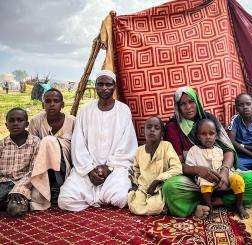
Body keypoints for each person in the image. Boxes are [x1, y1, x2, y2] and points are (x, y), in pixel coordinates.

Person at [164, 86, 252, 218]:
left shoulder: (209, 119)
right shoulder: (173, 127)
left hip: (222, 177)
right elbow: (177, 165)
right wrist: (199, 170)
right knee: (170, 187)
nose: (188, 107)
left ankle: (216, 202)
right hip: (194, 181)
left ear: (197, 102)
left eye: (191, 102)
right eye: (183, 104)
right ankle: (200, 203)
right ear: (178, 107)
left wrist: (224, 172)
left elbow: (228, 149)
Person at [58, 70, 138, 212]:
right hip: (88, 168)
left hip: (115, 168)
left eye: (108, 84)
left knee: (121, 198)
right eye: (100, 84)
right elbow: (79, 143)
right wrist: (89, 170)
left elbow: (127, 144)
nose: (104, 88)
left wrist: (109, 168)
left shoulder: (123, 110)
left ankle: (96, 197)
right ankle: (99, 198)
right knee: (65, 200)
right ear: (95, 86)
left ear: (114, 86)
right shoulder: (85, 110)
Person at [186, 119, 248, 219]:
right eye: (203, 134)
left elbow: (224, 166)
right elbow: (190, 167)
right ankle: (209, 207)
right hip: (205, 179)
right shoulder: (194, 150)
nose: (208, 137)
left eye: (211, 133)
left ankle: (239, 205)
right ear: (198, 136)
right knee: (204, 183)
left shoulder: (219, 150)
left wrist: (225, 175)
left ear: (216, 135)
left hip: (221, 177)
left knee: (238, 180)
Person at [28, 88, 75, 210]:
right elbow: (32, 146)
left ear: (62, 104)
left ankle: (59, 187)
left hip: (66, 163)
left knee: (49, 141)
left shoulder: (72, 121)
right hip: (43, 164)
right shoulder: (36, 121)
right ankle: (47, 189)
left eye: (56, 101)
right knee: (47, 143)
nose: (52, 104)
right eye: (48, 101)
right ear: (43, 104)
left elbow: (78, 147)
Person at [128, 117, 182, 215]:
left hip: (159, 188)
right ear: (144, 131)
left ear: (162, 133)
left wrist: (157, 181)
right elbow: (136, 171)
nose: (152, 130)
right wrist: (135, 185)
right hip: (143, 188)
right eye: (149, 127)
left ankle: (161, 206)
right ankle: (161, 208)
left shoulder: (166, 146)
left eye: (157, 128)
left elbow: (177, 168)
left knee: (155, 207)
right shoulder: (139, 150)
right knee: (134, 207)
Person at [0, 108, 39, 217]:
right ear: (6, 125)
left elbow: (34, 171)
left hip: (22, 186)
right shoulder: (2, 144)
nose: (15, 124)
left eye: (19, 120)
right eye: (11, 121)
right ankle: (5, 201)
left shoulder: (35, 143)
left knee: (15, 210)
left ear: (26, 124)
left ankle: (10, 202)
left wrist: (18, 189)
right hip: (3, 183)